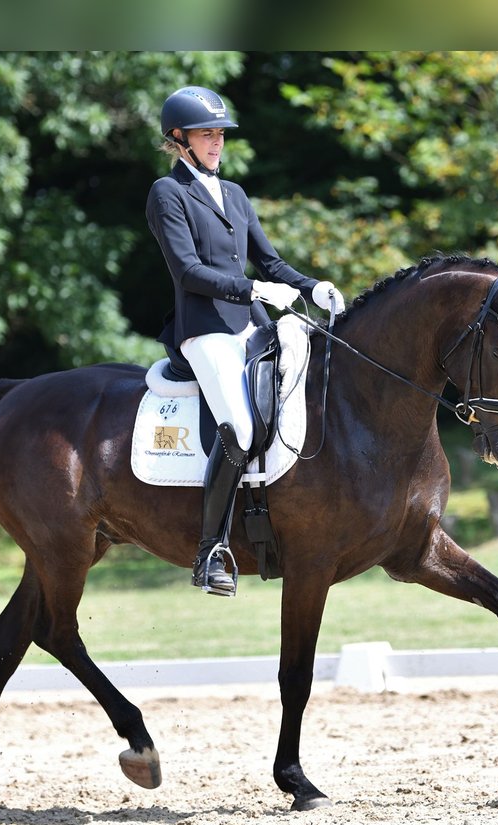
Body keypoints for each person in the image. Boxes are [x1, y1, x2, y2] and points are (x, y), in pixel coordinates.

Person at [146, 85, 344, 596]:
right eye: (206, 134)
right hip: (205, 330)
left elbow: (270, 262)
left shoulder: (233, 193)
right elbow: (188, 271)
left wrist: (311, 285)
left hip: (251, 323)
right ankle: (210, 549)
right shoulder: (167, 194)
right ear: (178, 138)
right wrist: (254, 287)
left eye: (220, 134)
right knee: (237, 425)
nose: (216, 143)